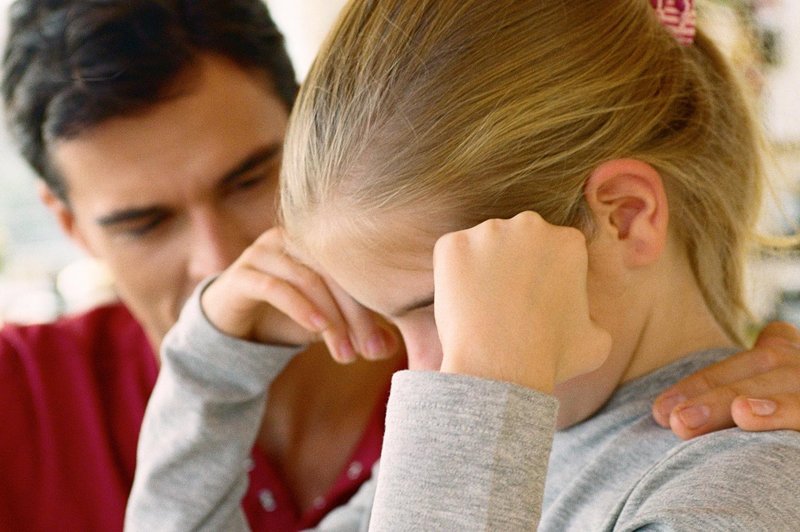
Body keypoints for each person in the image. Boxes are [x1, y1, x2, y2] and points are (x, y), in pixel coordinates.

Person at [126, 0, 800, 529]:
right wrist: (211, 369)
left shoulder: (743, 490)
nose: (422, 372)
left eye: (443, 306)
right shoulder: (483, 469)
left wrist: (485, 398)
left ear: (623, 216)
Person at [0, 1, 401, 531]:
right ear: (71, 226)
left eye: (249, 181)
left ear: (319, 135)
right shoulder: (19, 397)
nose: (218, 262)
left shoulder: (494, 360)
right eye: (146, 224)